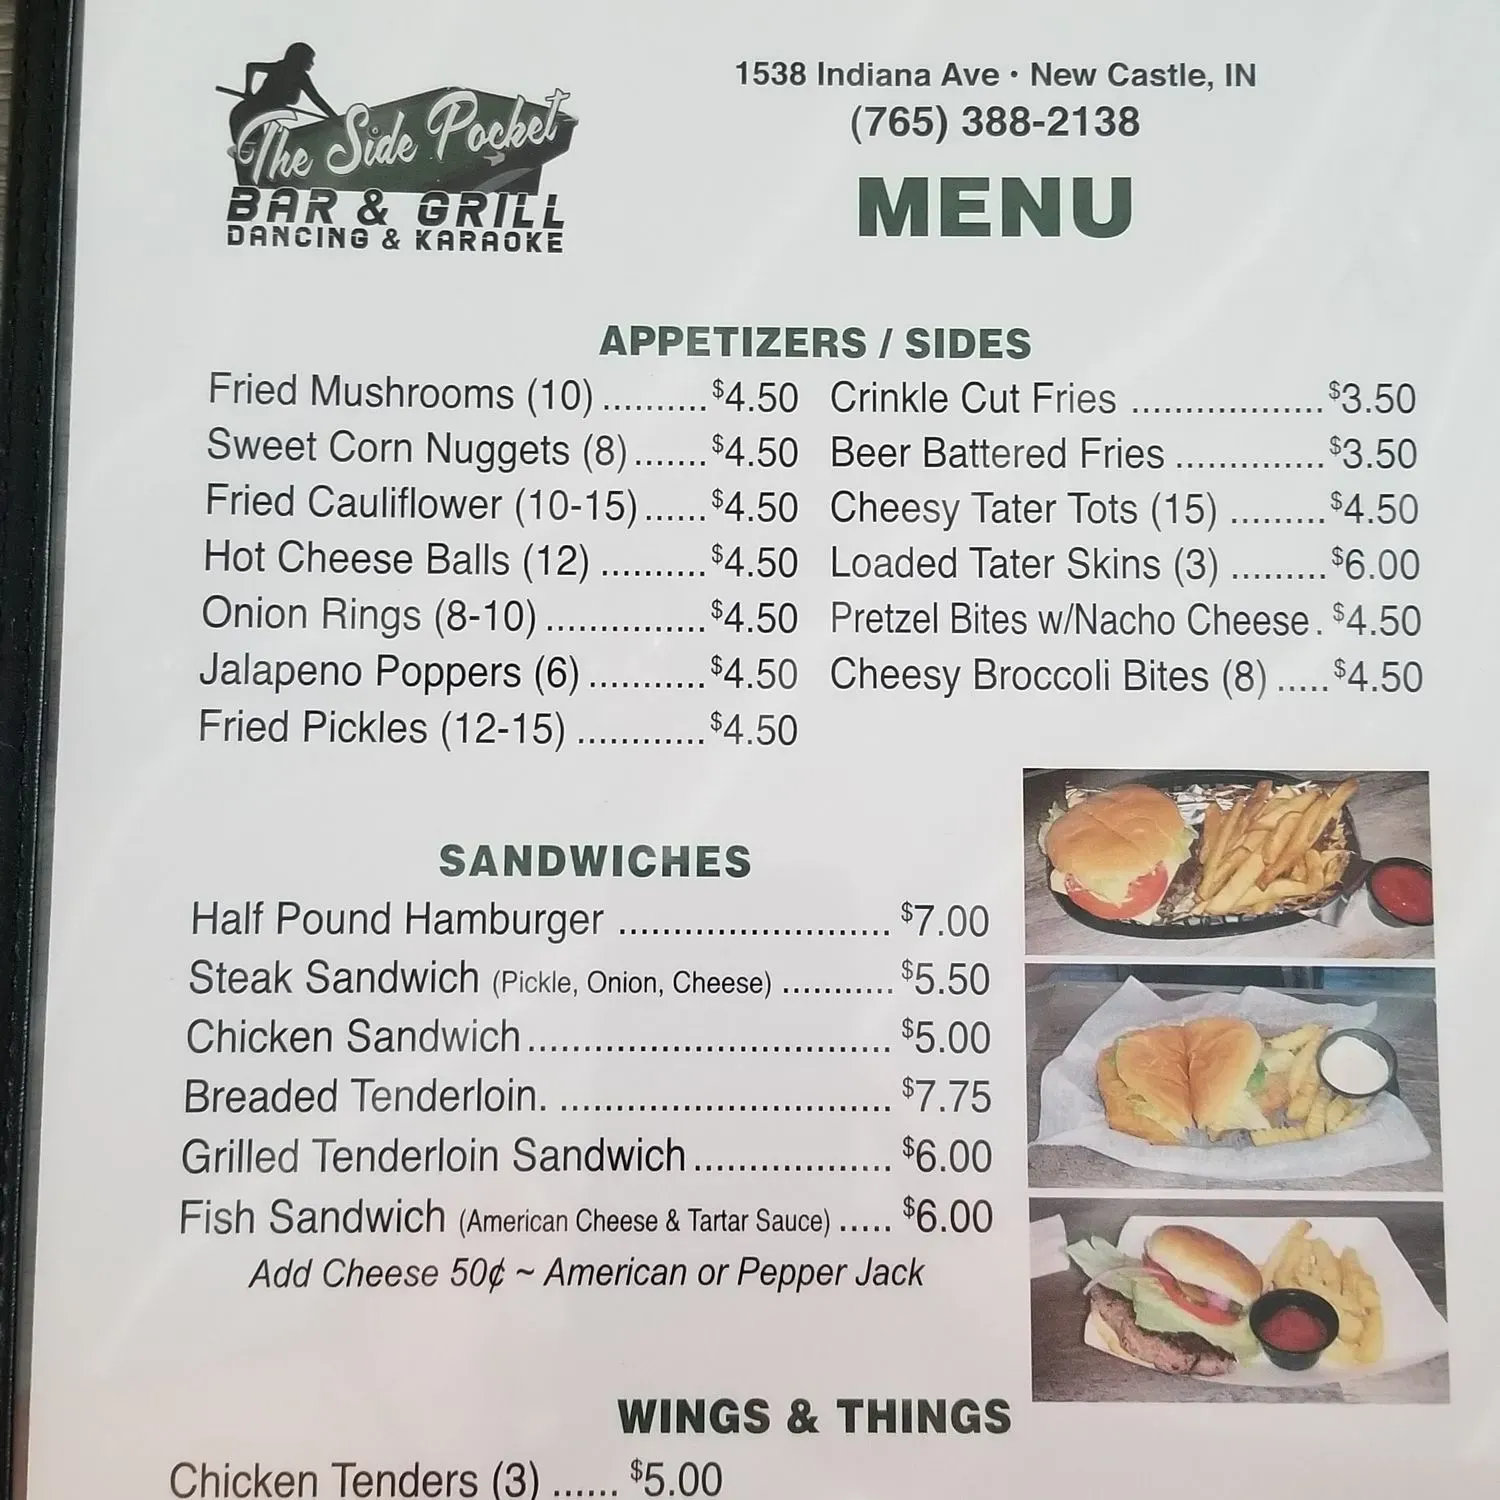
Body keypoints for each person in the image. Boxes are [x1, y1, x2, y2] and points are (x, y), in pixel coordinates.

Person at [228, 42, 337, 147]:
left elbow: (251, 66)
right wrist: (334, 117)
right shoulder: (299, 76)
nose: (312, 63)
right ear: (300, 59)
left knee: (255, 149)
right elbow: (316, 99)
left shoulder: (280, 68)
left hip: (248, 113)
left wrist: (248, 90)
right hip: (248, 115)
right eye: (310, 59)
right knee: (253, 149)